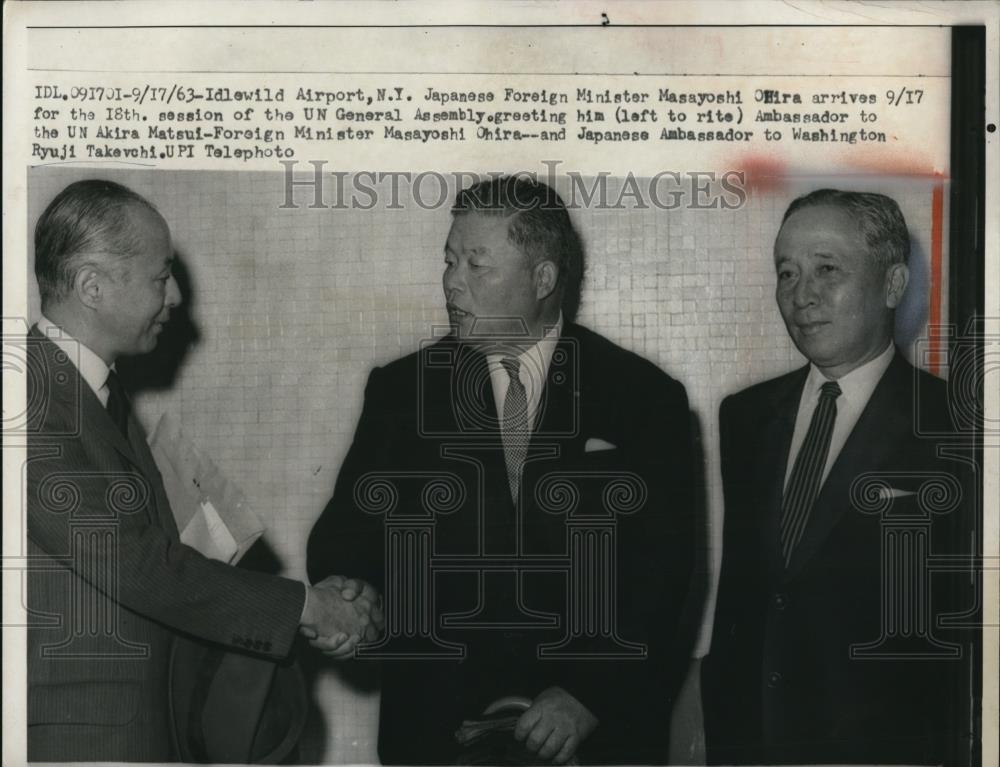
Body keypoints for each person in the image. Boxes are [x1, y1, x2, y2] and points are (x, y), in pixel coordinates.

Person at [308, 176, 696, 765]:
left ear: (543, 279)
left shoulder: (643, 396)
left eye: (476, 264)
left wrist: (591, 695)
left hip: (593, 736)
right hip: (436, 733)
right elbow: (346, 537)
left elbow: (665, 572)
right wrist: (355, 596)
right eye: (448, 260)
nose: (451, 281)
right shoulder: (399, 390)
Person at [25, 179, 381, 762]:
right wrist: (308, 609)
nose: (175, 299)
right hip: (82, 738)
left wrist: (303, 604)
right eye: (161, 278)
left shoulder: (94, 398)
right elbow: (139, 565)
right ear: (92, 286)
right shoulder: (30, 401)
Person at [701, 189, 971, 764]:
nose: (802, 295)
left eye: (827, 269)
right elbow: (745, 599)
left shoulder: (955, 427)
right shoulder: (746, 417)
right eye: (787, 272)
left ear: (894, 285)